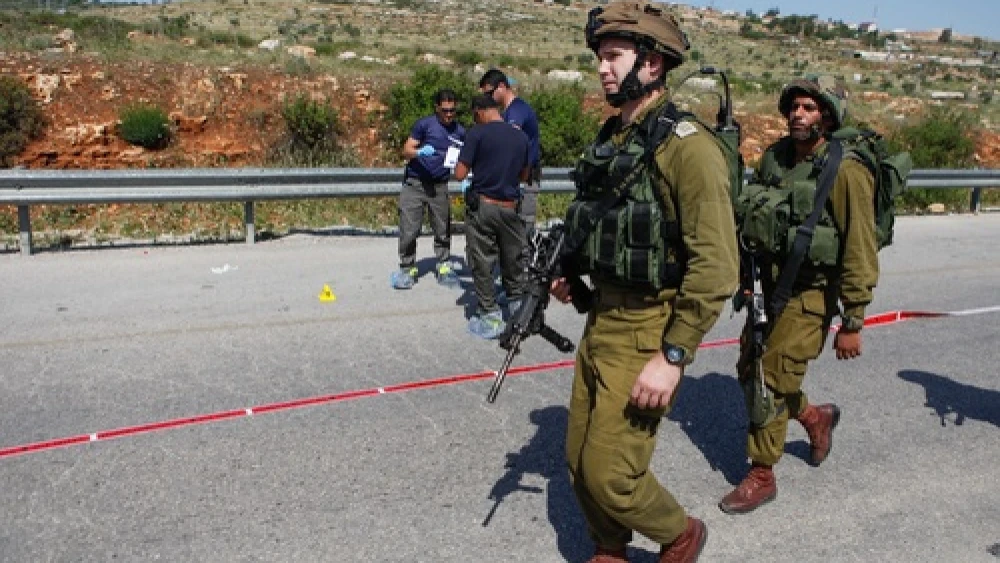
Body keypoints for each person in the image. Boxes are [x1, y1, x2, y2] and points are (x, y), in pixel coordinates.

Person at [549, 3, 738, 562]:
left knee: (612, 474)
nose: (603, 69)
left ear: (652, 65)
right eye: (601, 58)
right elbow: (605, 226)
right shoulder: (616, 137)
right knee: (578, 461)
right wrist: (573, 280)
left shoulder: (689, 148)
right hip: (602, 319)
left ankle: (679, 533)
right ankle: (610, 545)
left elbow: (717, 265)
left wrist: (673, 355)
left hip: (649, 330)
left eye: (614, 57)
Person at [718, 76, 878, 514]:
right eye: (794, 107)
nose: (797, 115)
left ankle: (761, 474)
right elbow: (752, 219)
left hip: (810, 295)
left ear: (826, 116)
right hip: (768, 288)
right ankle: (815, 418)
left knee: (769, 381)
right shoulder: (777, 158)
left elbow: (860, 247)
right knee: (750, 368)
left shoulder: (844, 170)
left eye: (808, 108)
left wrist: (853, 320)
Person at [454, 94, 530, 340]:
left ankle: (490, 316)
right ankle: (519, 314)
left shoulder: (477, 134)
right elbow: (524, 174)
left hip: (484, 207)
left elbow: (459, 173)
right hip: (510, 206)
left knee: (482, 261)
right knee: (513, 259)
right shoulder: (521, 137)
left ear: (479, 111)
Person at [390, 89, 466, 290]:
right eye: (445, 110)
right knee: (409, 229)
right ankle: (407, 267)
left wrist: (468, 178)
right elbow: (406, 150)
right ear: (437, 108)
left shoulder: (459, 131)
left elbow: (465, 157)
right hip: (415, 184)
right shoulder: (424, 125)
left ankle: (443, 265)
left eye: (452, 111)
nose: (449, 115)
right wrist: (419, 152)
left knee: (443, 229)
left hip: (439, 186)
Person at [478, 69, 541, 232]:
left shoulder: (516, 111)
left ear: (501, 86)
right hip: (515, 178)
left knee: (523, 228)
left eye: (489, 94)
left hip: (524, 178)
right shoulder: (509, 111)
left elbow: (511, 143)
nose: (488, 99)